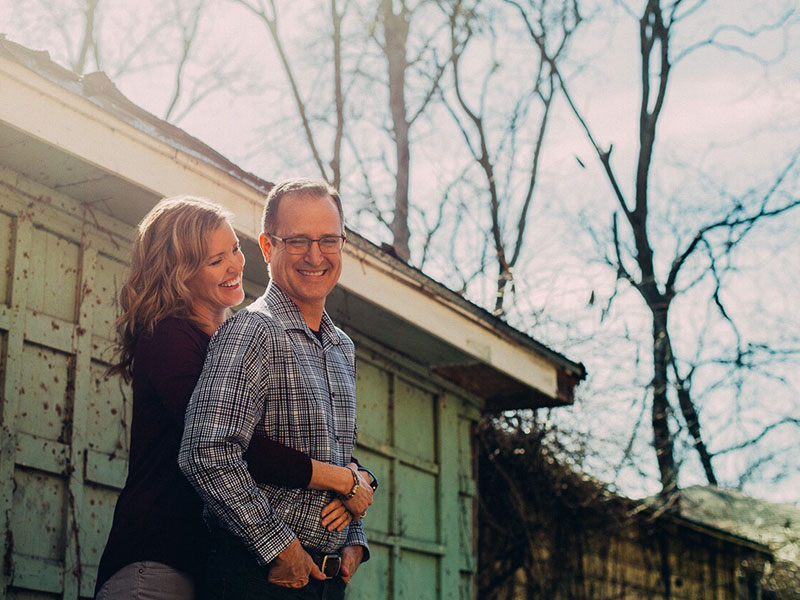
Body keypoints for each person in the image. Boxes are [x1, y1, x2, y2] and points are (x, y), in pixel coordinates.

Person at [96, 196, 373, 600]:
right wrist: (341, 479)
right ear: (179, 274)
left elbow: (308, 440)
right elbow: (234, 447)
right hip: (159, 557)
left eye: (234, 249)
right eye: (214, 261)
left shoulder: (246, 338)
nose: (235, 265)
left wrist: (362, 481)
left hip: (205, 556)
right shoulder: (171, 339)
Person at [179, 179, 369, 599]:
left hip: (327, 583)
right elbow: (205, 451)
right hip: (259, 579)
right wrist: (278, 547)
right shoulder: (250, 331)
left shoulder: (342, 348)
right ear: (267, 247)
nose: (315, 256)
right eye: (298, 241)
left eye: (328, 240)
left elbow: (340, 460)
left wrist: (355, 536)